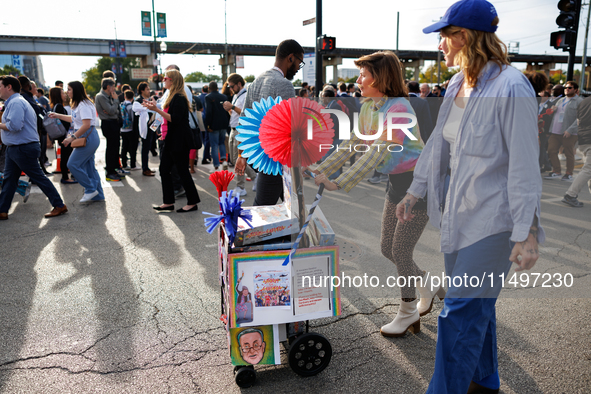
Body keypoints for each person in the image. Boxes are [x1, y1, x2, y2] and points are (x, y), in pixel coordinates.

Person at [397, 1, 543, 392]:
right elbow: (437, 149)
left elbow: (525, 165)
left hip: (494, 223)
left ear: (464, 37)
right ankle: (485, 380)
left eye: (444, 37)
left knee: (458, 312)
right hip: (456, 217)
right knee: (478, 308)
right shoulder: (456, 84)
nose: (440, 45)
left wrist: (526, 231)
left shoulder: (512, 86)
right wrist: (416, 192)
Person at [313, 51, 443, 338]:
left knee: (400, 250)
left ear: (380, 78)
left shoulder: (399, 110)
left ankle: (408, 311)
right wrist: (320, 168)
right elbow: (353, 143)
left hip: (416, 185)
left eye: (363, 74)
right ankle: (428, 284)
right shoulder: (371, 106)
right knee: (387, 248)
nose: (358, 80)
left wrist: (340, 182)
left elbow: (377, 152)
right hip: (395, 183)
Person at [235, 39, 303, 206]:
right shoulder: (284, 84)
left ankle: (294, 231)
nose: (297, 69)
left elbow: (244, 121)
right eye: (299, 63)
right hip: (278, 160)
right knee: (264, 211)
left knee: (291, 210)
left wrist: (241, 155)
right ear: (291, 58)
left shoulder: (256, 82)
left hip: (260, 157)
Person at [0, 75, 67, 219]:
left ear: (9, 87)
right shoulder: (15, 102)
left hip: (22, 148)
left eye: (0, 86)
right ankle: (2, 210)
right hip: (16, 148)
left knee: (38, 177)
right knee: (9, 180)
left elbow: (15, 126)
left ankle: (59, 205)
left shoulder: (16, 102)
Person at [143, 69, 200, 213]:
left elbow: (174, 118)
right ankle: (168, 202)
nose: (163, 81)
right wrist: (163, 131)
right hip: (172, 139)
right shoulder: (172, 95)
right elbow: (168, 121)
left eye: (166, 78)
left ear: (172, 80)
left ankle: (192, 202)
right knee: (164, 170)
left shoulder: (179, 97)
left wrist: (156, 109)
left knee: (182, 171)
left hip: (180, 140)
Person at [49, 81, 105, 204]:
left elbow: (85, 125)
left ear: (76, 90)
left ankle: (90, 189)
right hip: (88, 137)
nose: (66, 92)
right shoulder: (80, 104)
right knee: (90, 168)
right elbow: (74, 119)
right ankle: (98, 194)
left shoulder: (83, 105)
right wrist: (58, 115)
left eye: (69, 89)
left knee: (72, 164)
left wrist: (71, 137)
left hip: (87, 137)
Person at [223, 73, 256, 196]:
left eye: (232, 86)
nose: (230, 89)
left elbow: (246, 113)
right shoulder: (237, 95)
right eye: (229, 87)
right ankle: (254, 177)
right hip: (233, 128)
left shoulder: (245, 95)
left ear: (239, 84)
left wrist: (232, 107)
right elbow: (236, 113)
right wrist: (230, 109)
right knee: (233, 158)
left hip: (240, 129)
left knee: (238, 158)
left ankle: (240, 186)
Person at [544, 81, 582, 182]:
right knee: (551, 150)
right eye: (565, 88)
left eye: (569, 88)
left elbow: (580, 118)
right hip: (555, 131)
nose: (567, 89)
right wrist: (552, 111)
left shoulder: (579, 101)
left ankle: (569, 174)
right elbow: (554, 116)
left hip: (569, 132)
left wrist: (570, 130)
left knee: (569, 154)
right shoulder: (560, 100)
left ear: (575, 90)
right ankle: (556, 171)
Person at [562, 94, 591, 207]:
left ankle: (571, 195)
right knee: (588, 169)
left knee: (589, 170)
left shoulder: (583, 102)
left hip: (583, 139)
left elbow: (578, 121)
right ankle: (570, 195)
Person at [95, 77, 123, 181]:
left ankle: (114, 170)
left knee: (115, 148)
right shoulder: (101, 96)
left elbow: (116, 111)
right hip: (108, 123)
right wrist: (115, 101)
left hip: (114, 123)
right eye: (113, 86)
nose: (115, 88)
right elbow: (111, 111)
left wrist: (113, 109)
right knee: (111, 148)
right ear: (108, 87)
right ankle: (109, 172)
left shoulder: (109, 95)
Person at [48, 86, 76, 184]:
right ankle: (65, 177)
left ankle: (67, 176)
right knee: (66, 156)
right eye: (62, 93)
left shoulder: (56, 105)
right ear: (58, 95)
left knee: (66, 155)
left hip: (61, 135)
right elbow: (64, 122)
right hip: (64, 135)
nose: (64, 95)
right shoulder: (59, 106)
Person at [205, 81, 229, 172]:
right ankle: (224, 160)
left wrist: (208, 125)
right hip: (223, 123)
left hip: (213, 124)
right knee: (222, 142)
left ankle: (216, 166)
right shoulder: (223, 96)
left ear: (209, 88)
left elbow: (209, 112)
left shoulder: (209, 97)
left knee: (214, 145)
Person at [133, 81, 156, 176]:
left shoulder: (150, 99)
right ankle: (145, 169)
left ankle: (147, 167)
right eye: (147, 89)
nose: (149, 91)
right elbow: (137, 110)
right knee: (145, 148)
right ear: (142, 90)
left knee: (148, 147)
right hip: (144, 128)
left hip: (152, 127)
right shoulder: (138, 100)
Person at [120, 90, 139, 170]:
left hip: (122, 129)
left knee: (124, 147)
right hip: (130, 130)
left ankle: (124, 164)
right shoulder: (131, 106)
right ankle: (133, 165)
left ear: (125, 96)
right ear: (133, 97)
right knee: (132, 148)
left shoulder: (121, 105)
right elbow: (133, 120)